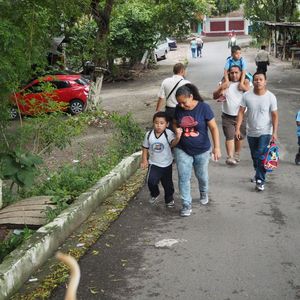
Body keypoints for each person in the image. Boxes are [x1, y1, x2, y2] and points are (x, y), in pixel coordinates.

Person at [173, 83, 221, 217]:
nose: (182, 105)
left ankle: (203, 191)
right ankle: (186, 204)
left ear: (191, 97)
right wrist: (176, 129)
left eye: (184, 102)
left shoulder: (204, 107)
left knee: (202, 176)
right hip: (182, 148)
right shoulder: (178, 108)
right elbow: (175, 122)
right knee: (183, 177)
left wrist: (216, 147)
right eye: (179, 103)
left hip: (202, 149)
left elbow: (213, 128)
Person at [235, 71, 278, 192]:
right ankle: (258, 172)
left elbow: (275, 115)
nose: (258, 81)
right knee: (255, 156)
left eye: (261, 79)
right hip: (251, 131)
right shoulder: (247, 96)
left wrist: (274, 132)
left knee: (260, 154)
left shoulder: (271, 97)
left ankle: (260, 180)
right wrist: (238, 128)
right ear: (253, 82)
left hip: (266, 131)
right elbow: (241, 112)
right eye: (256, 79)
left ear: (265, 82)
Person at [141, 111, 182, 207]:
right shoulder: (149, 134)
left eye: (161, 123)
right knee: (150, 181)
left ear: (167, 124)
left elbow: (173, 144)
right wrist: (144, 160)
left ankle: (169, 199)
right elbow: (145, 148)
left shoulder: (168, 134)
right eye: (156, 123)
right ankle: (154, 193)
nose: (158, 126)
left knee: (168, 184)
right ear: (153, 123)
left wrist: (178, 137)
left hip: (167, 164)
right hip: (154, 163)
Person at [213, 65, 250, 165]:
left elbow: (252, 96)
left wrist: (244, 87)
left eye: (236, 72)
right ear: (228, 73)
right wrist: (221, 87)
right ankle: (230, 156)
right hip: (227, 115)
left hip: (241, 115)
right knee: (229, 136)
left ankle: (237, 153)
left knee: (239, 136)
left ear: (241, 73)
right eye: (232, 73)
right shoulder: (225, 83)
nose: (234, 75)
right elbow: (215, 96)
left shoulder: (245, 83)